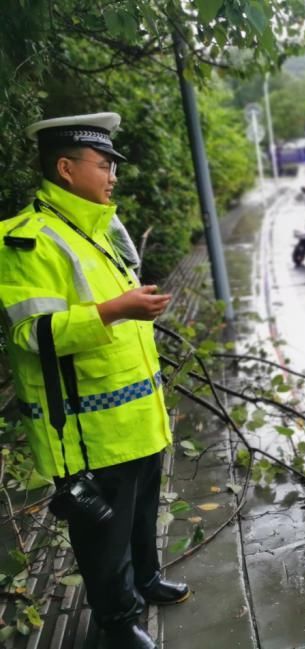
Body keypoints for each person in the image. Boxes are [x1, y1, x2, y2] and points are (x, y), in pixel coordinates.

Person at [0, 113, 188, 649]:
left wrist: (130, 307)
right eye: (102, 165)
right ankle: (116, 621)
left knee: (142, 509)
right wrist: (114, 309)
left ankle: (146, 580)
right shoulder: (27, 240)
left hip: (137, 415)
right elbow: (31, 334)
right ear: (65, 168)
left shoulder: (98, 229)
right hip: (88, 429)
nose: (112, 176)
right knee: (102, 534)